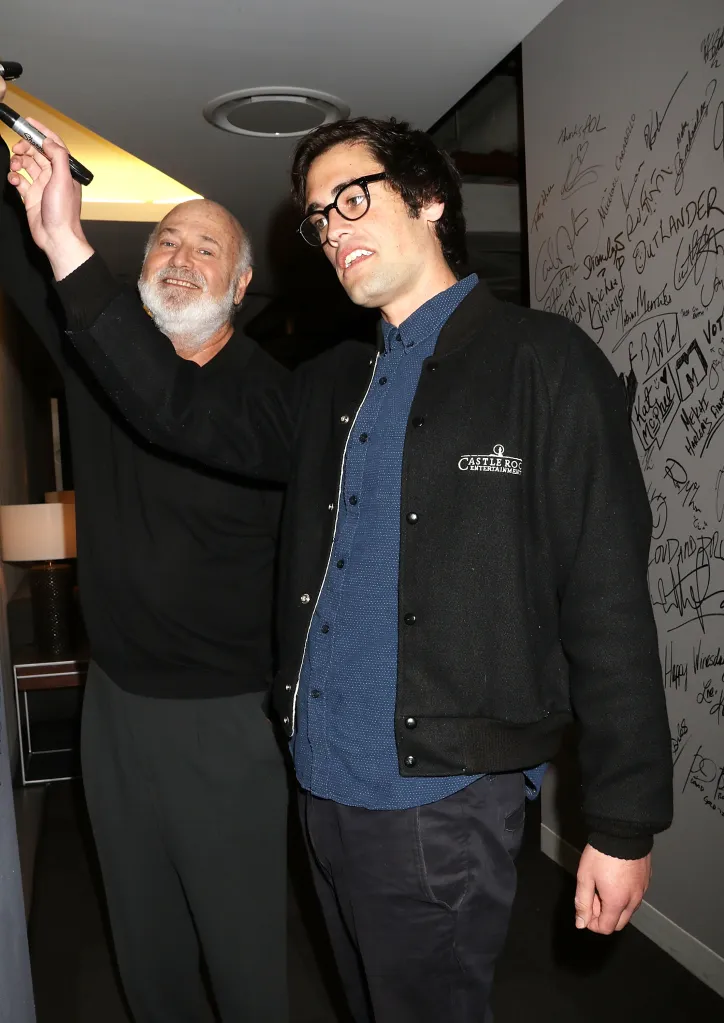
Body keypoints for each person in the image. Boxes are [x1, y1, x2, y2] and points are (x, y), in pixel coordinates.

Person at [8, 114, 674, 1023]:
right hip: (323, 787)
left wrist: (623, 820)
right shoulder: (332, 384)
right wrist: (63, 239)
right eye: (321, 218)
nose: (334, 229)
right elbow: (172, 407)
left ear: (430, 198)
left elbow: (608, 601)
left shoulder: (544, 364)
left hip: (441, 801)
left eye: (352, 198)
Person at [0, 81, 289, 1023]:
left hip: (225, 721)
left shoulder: (269, 397)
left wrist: (67, 244)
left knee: (243, 954)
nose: (181, 255)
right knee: (144, 942)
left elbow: (173, 411)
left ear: (242, 288)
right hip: (116, 707)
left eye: (210, 247)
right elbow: (19, 255)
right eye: (166, 238)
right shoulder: (101, 351)